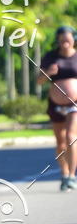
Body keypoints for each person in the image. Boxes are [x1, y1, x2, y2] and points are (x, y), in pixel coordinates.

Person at [37, 25, 77, 191]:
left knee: (70, 136)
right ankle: (64, 173)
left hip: (75, 104)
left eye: (67, 39)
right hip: (55, 105)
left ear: (73, 39)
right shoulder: (50, 57)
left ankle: (72, 176)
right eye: (61, 40)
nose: (64, 43)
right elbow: (39, 81)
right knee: (60, 142)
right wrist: (48, 72)